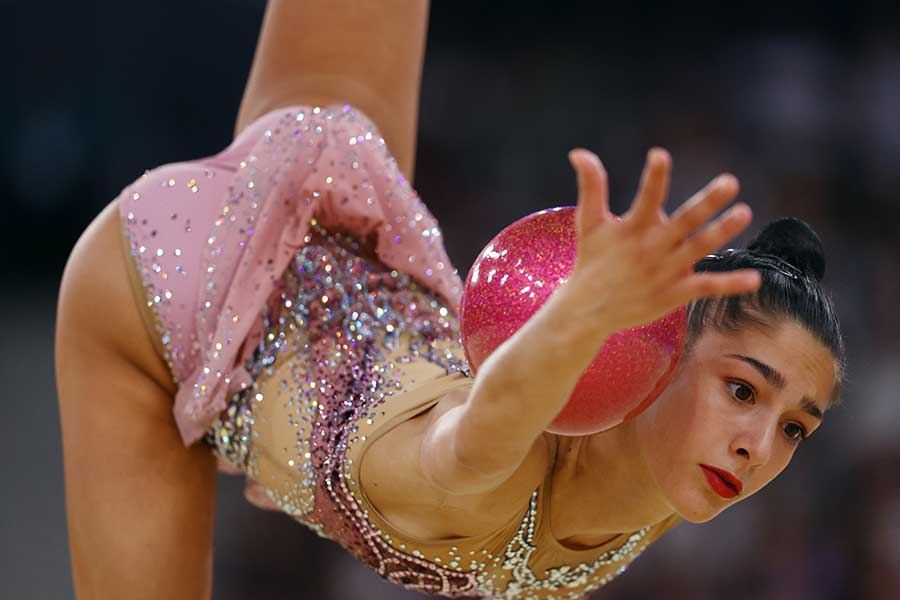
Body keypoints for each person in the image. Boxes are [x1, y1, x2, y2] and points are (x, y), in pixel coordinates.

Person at [54, 1, 845, 599]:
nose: (760, 447)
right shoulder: (490, 475)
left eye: (796, 428)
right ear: (654, 350)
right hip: (161, 298)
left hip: (339, 230)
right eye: (743, 390)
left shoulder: (678, 469)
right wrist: (580, 317)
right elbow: (480, 433)